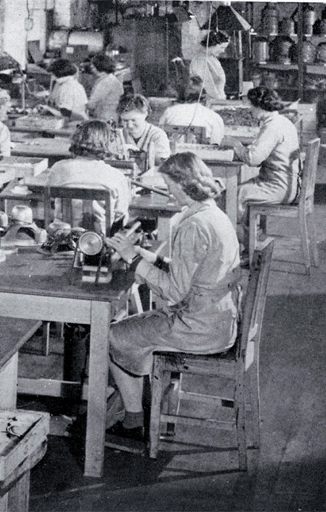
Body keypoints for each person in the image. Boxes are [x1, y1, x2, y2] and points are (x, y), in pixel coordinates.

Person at [105, 152, 241, 440]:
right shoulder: (213, 214)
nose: (167, 192)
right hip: (219, 320)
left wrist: (132, 259)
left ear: (184, 184)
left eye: (169, 185)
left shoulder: (192, 225)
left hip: (197, 329)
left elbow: (175, 291)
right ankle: (141, 399)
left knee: (110, 336)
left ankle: (133, 419)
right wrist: (150, 258)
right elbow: (196, 273)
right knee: (136, 328)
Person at [225, 86, 300, 251]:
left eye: (251, 106)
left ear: (259, 105)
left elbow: (253, 159)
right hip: (287, 183)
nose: (250, 110)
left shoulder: (272, 127)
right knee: (239, 192)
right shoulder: (281, 121)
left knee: (232, 196)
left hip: (278, 187)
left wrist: (235, 143)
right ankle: (250, 240)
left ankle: (242, 248)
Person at [46, 120, 130, 233]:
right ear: (108, 143)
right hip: (99, 241)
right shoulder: (117, 176)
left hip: (62, 238)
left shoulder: (58, 168)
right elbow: (121, 216)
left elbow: (49, 196)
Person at [159, 75, 225, 145]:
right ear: (204, 98)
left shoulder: (169, 112)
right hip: (201, 155)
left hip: (174, 154)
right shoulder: (214, 117)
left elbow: (160, 135)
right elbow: (215, 144)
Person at [117, 93, 171, 172]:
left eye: (133, 120)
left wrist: (139, 154)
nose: (130, 125)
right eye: (125, 120)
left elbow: (163, 162)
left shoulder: (157, 135)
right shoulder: (120, 134)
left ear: (145, 114)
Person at [189, 30, 230, 101]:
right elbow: (208, 86)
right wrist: (219, 100)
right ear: (213, 44)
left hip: (216, 99)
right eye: (222, 47)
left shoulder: (211, 58)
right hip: (210, 101)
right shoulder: (201, 59)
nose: (223, 51)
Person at [86, 54, 124, 124]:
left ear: (99, 65)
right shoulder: (110, 78)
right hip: (111, 117)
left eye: (93, 65)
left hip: (104, 119)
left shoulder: (106, 81)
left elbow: (92, 104)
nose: (91, 66)